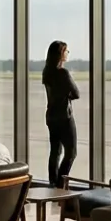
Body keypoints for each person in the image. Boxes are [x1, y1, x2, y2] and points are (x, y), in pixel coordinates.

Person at [43, 40, 79, 188]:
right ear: (60, 54)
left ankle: (53, 181)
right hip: (64, 117)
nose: (68, 53)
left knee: (55, 151)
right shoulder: (63, 72)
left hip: (51, 116)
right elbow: (76, 93)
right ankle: (60, 183)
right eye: (66, 51)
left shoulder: (47, 72)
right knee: (71, 153)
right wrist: (67, 95)